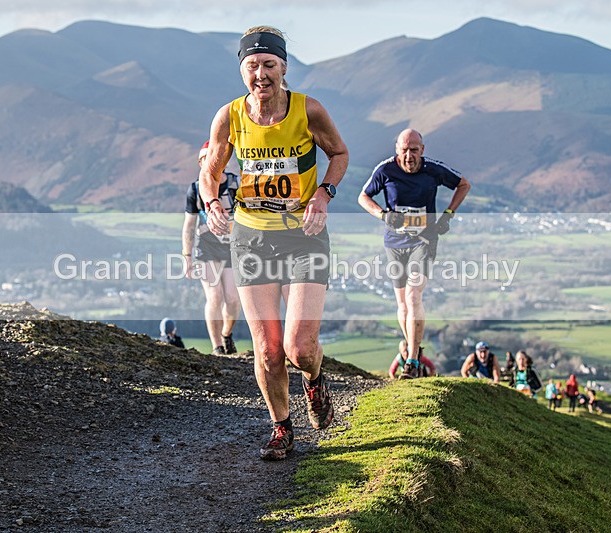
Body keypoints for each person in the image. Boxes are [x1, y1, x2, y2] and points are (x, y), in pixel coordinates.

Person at [199, 26, 348, 461]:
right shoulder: (230, 116)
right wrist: (211, 202)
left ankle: (315, 381)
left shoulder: (308, 110)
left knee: (299, 348)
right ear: (242, 71)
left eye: (269, 65)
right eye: (252, 66)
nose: (261, 74)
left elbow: (339, 154)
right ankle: (282, 428)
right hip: (251, 238)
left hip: (304, 235)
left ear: (284, 68)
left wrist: (323, 193)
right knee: (266, 348)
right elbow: (211, 169)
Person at [359, 129, 470, 378]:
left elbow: (463, 184)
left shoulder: (433, 169)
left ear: (422, 150)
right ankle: (413, 348)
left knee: (412, 296)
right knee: (402, 304)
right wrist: (383, 215)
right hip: (395, 243)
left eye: (414, 150)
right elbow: (363, 197)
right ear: (397, 149)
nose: (409, 156)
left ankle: (411, 360)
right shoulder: (385, 170)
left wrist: (448, 214)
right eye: (404, 150)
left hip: (424, 240)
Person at [182, 141, 242, 356]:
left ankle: (226, 334)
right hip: (206, 248)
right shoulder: (196, 189)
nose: (209, 162)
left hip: (233, 248)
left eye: (214, 157)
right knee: (214, 297)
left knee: (233, 300)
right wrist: (187, 256)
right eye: (204, 159)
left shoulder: (235, 184)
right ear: (200, 162)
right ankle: (217, 347)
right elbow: (189, 226)